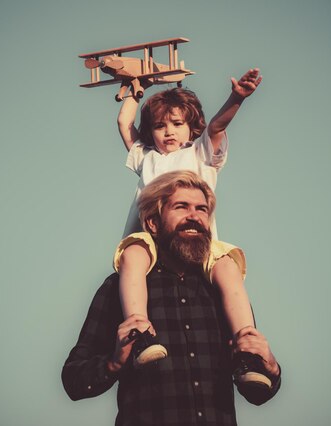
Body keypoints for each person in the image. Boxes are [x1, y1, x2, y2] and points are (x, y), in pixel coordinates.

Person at [62, 171, 281, 426]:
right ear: (153, 223)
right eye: (181, 207)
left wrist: (272, 367)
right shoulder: (119, 289)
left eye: (201, 209)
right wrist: (114, 362)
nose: (194, 216)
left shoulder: (224, 292)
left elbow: (257, 393)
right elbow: (73, 381)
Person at [114, 70, 266, 385]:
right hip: (152, 240)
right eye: (159, 125)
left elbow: (218, 125)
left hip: (195, 241)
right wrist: (134, 89)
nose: (168, 131)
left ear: (190, 127)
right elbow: (123, 124)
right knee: (131, 257)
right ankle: (139, 329)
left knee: (226, 267)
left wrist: (237, 98)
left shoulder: (199, 154)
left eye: (177, 123)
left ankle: (247, 346)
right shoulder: (147, 157)